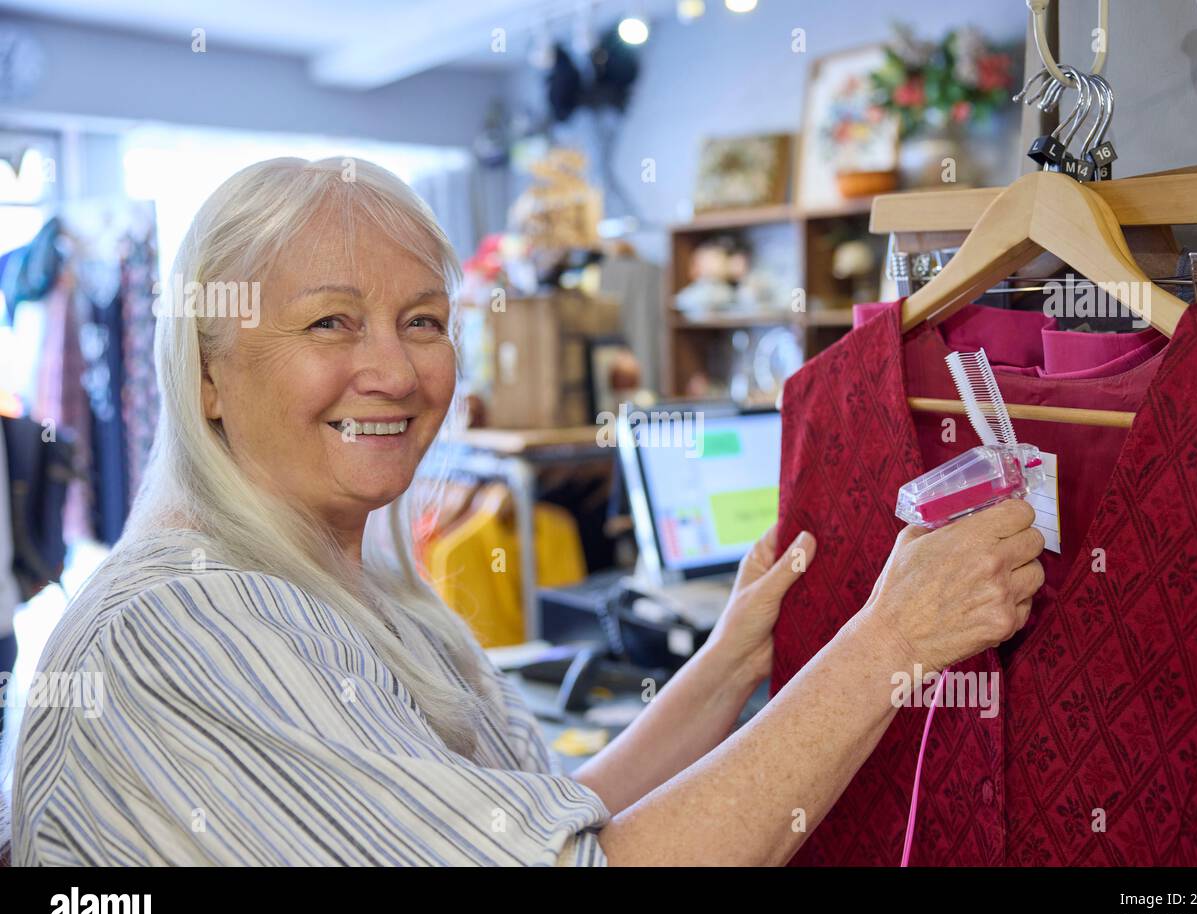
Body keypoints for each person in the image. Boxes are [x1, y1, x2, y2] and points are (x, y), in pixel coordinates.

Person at [6, 157, 1044, 865]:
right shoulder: (182, 628)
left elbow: (555, 818)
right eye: (332, 321)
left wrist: (732, 657)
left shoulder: (358, 591)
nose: (396, 369)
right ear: (208, 377)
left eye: (423, 321)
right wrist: (889, 643)